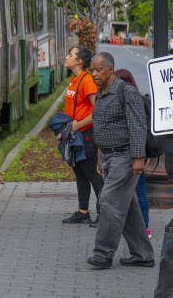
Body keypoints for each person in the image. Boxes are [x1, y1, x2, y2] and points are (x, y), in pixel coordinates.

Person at [86, 52, 154, 269]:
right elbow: (100, 125)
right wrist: (99, 155)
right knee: (127, 206)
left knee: (108, 201)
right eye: (92, 70)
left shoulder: (126, 92)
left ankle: (103, 254)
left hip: (124, 156)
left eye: (98, 70)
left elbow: (137, 126)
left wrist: (138, 158)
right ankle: (143, 254)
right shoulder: (101, 92)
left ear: (111, 70)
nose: (94, 74)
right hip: (107, 155)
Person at [60, 47, 102, 224]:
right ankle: (83, 211)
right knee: (80, 172)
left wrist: (77, 125)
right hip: (75, 134)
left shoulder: (87, 81)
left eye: (70, 55)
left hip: (85, 134)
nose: (66, 57)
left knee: (91, 173)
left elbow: (98, 110)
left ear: (79, 61)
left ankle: (105, 213)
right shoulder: (74, 80)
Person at [113, 69, 152, 240]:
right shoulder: (137, 98)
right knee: (139, 190)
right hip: (136, 152)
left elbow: (136, 128)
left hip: (131, 153)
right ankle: (143, 227)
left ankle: (141, 228)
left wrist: (137, 156)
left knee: (135, 191)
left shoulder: (129, 100)